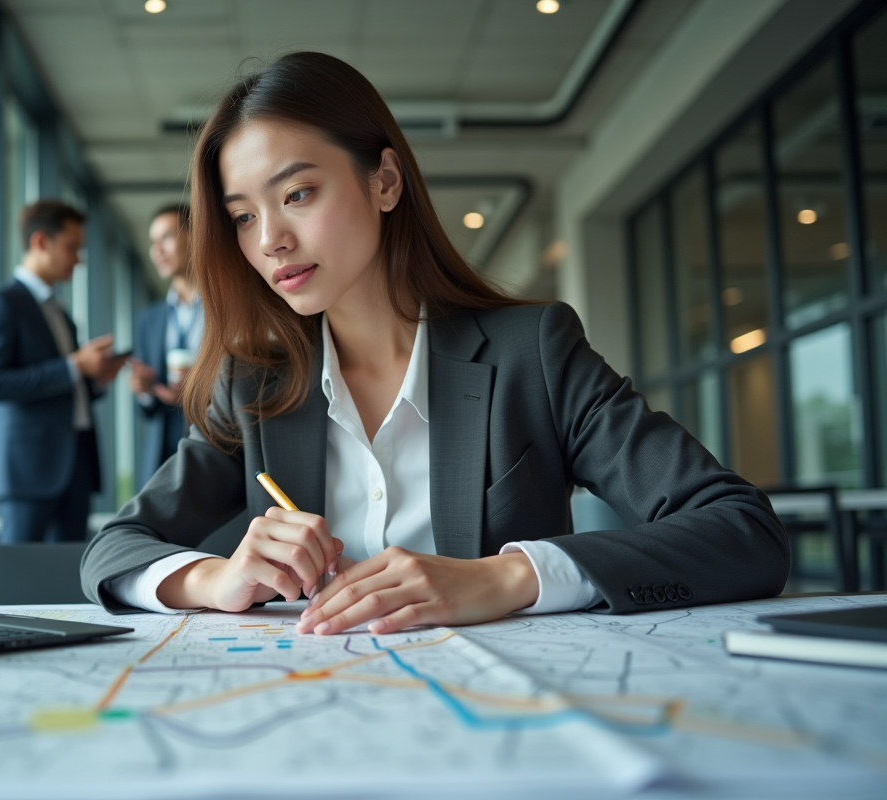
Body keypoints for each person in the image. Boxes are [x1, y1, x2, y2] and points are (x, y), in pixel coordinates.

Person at [80, 52, 788, 635]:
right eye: (242, 216)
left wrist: (504, 577)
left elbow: (741, 530)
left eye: (297, 194)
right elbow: (111, 550)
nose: (270, 241)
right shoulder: (258, 383)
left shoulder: (531, 354)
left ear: (384, 181)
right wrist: (216, 577)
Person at [0, 199, 125, 544]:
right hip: (28, 469)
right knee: (18, 584)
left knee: (65, 578)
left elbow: (64, 386)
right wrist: (74, 366)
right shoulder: (1, 302)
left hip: (76, 466)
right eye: (71, 248)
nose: (78, 259)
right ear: (40, 242)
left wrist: (95, 378)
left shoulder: (60, 311)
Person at [130, 204, 203, 489]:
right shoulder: (150, 319)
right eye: (152, 243)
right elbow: (146, 410)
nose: (156, 250)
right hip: (165, 452)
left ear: (196, 237)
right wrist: (145, 390)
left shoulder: (228, 309)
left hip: (219, 438)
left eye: (166, 238)